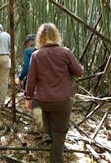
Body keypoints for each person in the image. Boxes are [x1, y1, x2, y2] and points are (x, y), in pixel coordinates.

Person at [25, 23, 83, 163]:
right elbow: (79, 72)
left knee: (47, 110)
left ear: (40, 38)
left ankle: (47, 133)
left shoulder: (36, 55)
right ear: (56, 35)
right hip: (62, 99)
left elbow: (31, 81)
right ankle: (56, 158)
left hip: (43, 100)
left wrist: (28, 97)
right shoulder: (66, 52)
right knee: (60, 132)